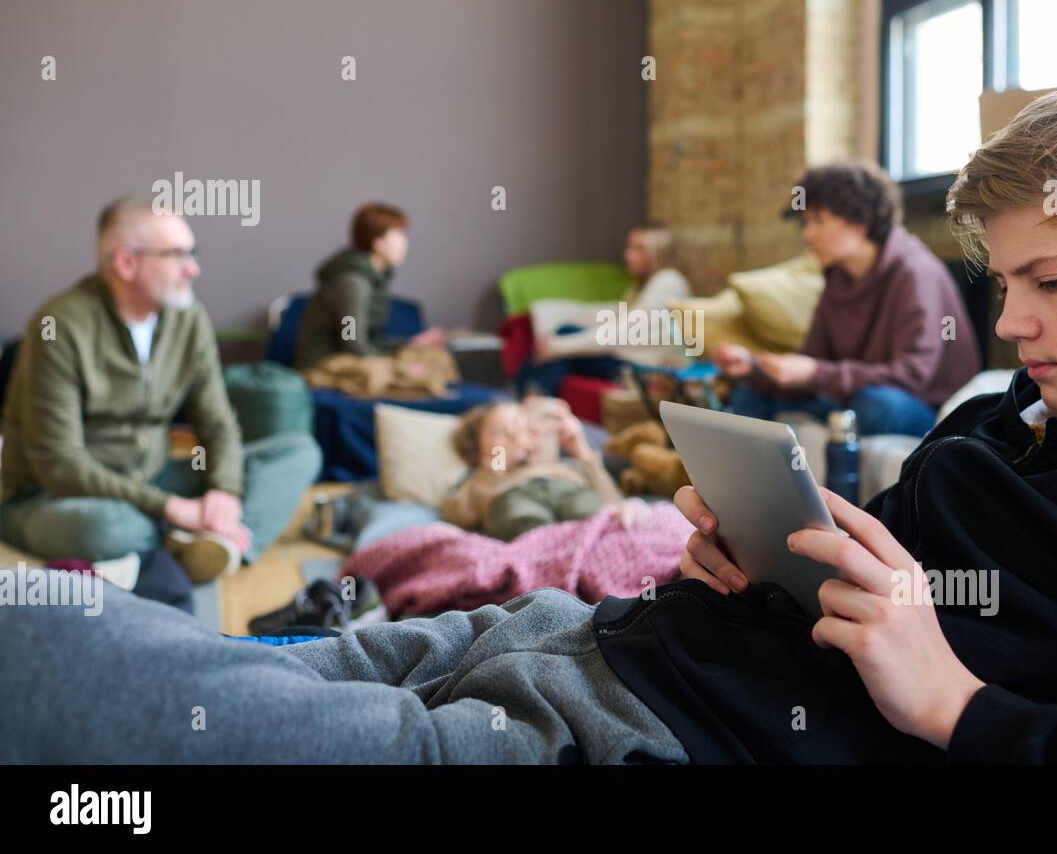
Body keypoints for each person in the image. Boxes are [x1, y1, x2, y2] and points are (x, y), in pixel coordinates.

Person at [6, 72, 1057, 764]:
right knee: (181, 671)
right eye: (1002, 284)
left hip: (623, 733)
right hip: (584, 635)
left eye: (1048, 286)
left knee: (61, 680)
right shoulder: (1021, 413)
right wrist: (765, 558)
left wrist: (954, 705)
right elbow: (901, 574)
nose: (1008, 326)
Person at [0, 198, 322, 582]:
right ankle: (185, 541)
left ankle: (214, 544)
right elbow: (59, 465)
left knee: (299, 453)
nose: (194, 268)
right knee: (106, 529)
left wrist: (225, 490)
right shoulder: (58, 326)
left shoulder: (188, 318)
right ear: (126, 263)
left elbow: (217, 422)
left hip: (150, 479)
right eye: (177, 255)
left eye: (193, 253)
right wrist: (170, 508)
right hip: (53, 497)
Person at [717, 162, 981, 437]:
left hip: (923, 405)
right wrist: (754, 368)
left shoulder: (916, 271)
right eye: (806, 223)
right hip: (855, 397)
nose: (807, 235)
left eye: (818, 220)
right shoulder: (836, 278)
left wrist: (814, 374)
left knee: (873, 404)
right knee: (751, 391)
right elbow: (813, 363)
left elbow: (912, 376)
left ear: (860, 219)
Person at [519, 225, 692, 395]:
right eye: (629, 247)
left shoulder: (669, 280)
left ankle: (528, 398)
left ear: (657, 252)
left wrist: (560, 346)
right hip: (627, 362)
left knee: (565, 337)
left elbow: (623, 332)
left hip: (649, 370)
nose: (628, 256)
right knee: (564, 335)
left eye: (638, 249)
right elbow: (610, 318)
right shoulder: (637, 290)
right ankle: (528, 398)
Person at [439, 397, 622, 539]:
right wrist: (499, 461)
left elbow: (612, 502)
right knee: (518, 513)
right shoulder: (485, 480)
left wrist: (581, 451)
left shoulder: (568, 467)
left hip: (586, 524)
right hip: (526, 524)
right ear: (478, 452)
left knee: (590, 510)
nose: (514, 433)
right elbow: (458, 513)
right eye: (500, 431)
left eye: (521, 424)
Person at [294, 203, 444, 370]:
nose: (405, 242)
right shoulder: (352, 284)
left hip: (348, 360)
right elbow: (351, 342)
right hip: (324, 367)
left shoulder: (375, 280)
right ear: (378, 243)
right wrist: (395, 363)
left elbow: (367, 341)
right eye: (399, 235)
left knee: (430, 360)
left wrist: (410, 344)